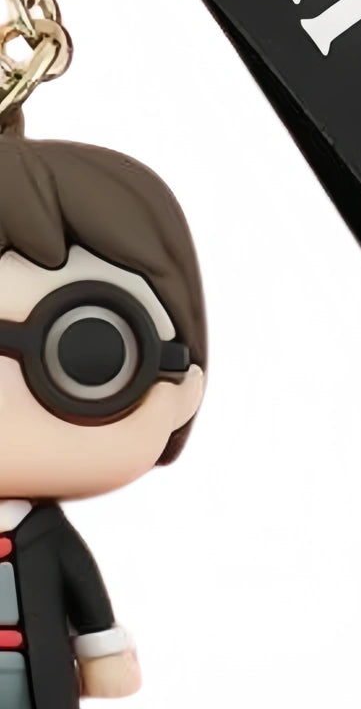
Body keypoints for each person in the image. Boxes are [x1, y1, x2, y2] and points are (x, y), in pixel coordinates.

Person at [0, 131, 206, 708]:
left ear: (182, 387)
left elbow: (87, 601)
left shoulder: (48, 539)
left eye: (88, 352)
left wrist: (103, 653)